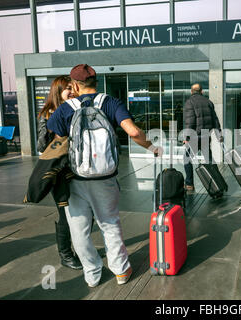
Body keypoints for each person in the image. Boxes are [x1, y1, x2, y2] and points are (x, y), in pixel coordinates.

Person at [47, 64, 161, 288]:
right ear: (96, 82)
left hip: (75, 180)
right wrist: (152, 147)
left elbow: (55, 142)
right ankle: (120, 271)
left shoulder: (66, 108)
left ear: (76, 85)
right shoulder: (109, 102)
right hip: (105, 178)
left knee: (78, 229)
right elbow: (134, 132)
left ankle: (92, 274)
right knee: (109, 224)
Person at [36, 76, 83, 270]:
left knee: (83, 214)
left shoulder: (75, 110)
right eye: (67, 89)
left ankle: (81, 249)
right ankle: (65, 254)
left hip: (78, 169)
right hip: (60, 173)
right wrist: (54, 132)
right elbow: (41, 145)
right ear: (58, 91)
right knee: (66, 215)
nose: (72, 92)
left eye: (73, 89)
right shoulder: (48, 114)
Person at [183, 83, 222, 191]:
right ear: (202, 91)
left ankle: (189, 184)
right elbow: (215, 120)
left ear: (191, 91)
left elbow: (189, 121)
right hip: (205, 136)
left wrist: (186, 137)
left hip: (194, 138)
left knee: (187, 159)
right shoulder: (208, 102)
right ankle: (217, 181)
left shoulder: (189, 102)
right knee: (209, 160)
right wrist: (219, 134)